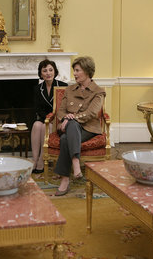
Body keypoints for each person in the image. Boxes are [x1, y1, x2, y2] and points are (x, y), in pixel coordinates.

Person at [54, 56, 105, 196]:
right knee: (71, 125)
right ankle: (76, 163)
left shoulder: (98, 92)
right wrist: (66, 118)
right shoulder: (69, 90)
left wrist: (72, 118)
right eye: (74, 71)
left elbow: (91, 113)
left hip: (89, 128)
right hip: (66, 126)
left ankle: (65, 179)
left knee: (66, 138)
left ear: (87, 71)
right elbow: (60, 111)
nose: (74, 74)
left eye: (77, 70)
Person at [31, 59, 68, 174]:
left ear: (55, 71)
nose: (48, 73)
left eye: (50, 70)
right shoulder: (37, 89)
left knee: (46, 127)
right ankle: (34, 159)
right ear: (41, 74)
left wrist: (52, 118)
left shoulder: (63, 86)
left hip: (58, 120)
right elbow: (37, 108)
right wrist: (46, 118)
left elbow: (65, 107)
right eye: (45, 71)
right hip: (44, 118)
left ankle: (42, 160)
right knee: (37, 125)